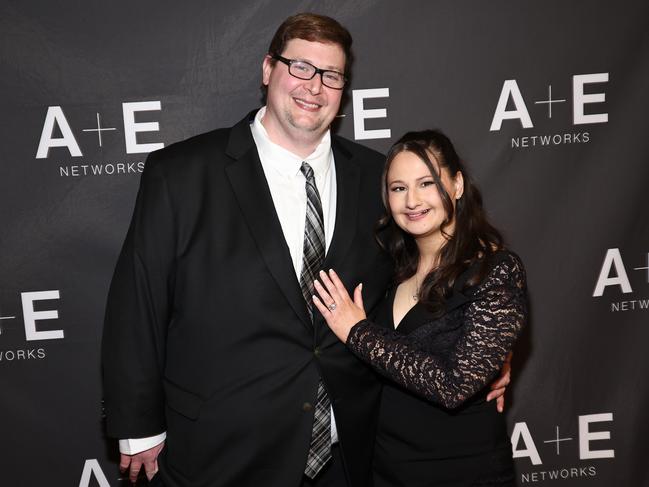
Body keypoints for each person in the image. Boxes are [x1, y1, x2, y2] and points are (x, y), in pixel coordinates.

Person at [102, 14, 509, 487]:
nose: (313, 86)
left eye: (331, 75)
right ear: (267, 69)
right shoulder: (182, 173)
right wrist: (137, 425)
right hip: (222, 450)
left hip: (350, 451)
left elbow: (441, 261)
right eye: (300, 67)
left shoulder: (378, 179)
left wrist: (492, 347)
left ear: (343, 90)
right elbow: (138, 300)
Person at [313, 130, 527, 486]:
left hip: (461, 472)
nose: (412, 200)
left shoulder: (495, 269)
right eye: (398, 188)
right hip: (385, 469)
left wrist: (358, 330)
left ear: (457, 185)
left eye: (426, 183)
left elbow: (454, 384)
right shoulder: (390, 267)